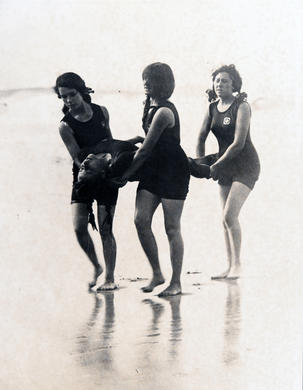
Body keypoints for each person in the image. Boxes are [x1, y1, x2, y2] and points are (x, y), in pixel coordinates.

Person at [54, 72, 142, 290]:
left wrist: (123, 160)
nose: (68, 101)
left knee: (105, 229)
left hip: (108, 175)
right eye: (63, 97)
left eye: (71, 95)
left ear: (81, 91)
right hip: (84, 176)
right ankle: (96, 266)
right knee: (78, 228)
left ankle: (110, 277)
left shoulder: (101, 112)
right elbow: (79, 159)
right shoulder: (65, 126)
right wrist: (102, 156)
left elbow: (110, 143)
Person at [114, 62, 190, 297]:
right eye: (144, 78)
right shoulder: (149, 104)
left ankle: (176, 282)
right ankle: (157, 273)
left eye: (152, 79)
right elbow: (147, 142)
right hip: (153, 170)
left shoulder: (165, 111)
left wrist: (125, 176)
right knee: (140, 220)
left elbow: (146, 150)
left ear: (163, 84)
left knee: (172, 227)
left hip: (173, 171)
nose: (146, 83)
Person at [196, 64, 260, 280]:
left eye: (224, 81)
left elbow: (238, 143)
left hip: (245, 164)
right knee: (224, 220)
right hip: (224, 165)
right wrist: (200, 162)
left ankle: (238, 265)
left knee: (230, 215)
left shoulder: (242, 106)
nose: (219, 84)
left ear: (234, 85)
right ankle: (229, 266)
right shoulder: (212, 107)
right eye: (217, 81)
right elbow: (201, 136)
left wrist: (215, 166)